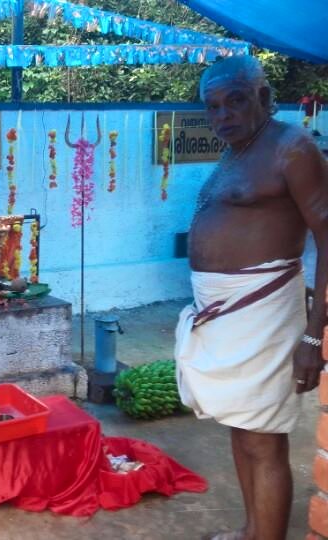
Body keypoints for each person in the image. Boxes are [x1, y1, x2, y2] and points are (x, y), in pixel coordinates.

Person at [175, 55, 328, 540]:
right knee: (242, 430)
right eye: (213, 106)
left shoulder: (292, 147)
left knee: (263, 441)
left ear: (263, 96)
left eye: (235, 100)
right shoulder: (236, 151)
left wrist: (313, 334)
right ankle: (252, 531)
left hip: (263, 314)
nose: (222, 115)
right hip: (224, 316)